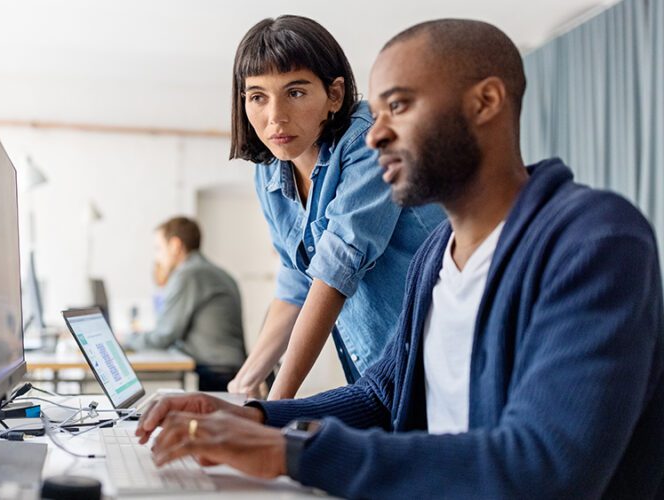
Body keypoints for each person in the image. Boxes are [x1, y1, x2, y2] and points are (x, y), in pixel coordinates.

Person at [134, 19, 664, 498]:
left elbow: (544, 467)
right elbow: (380, 397)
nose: (376, 133)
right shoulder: (437, 255)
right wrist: (252, 415)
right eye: (379, 110)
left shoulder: (594, 242)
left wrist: (289, 452)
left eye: (400, 106)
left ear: (485, 103)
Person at [227, 15, 446, 399]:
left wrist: (275, 407)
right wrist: (245, 383)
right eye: (257, 96)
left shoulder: (372, 142)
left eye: (295, 92)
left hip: (441, 360)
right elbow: (298, 281)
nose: (274, 116)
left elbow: (335, 269)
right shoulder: (270, 169)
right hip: (381, 375)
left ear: (335, 95)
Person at [124, 217, 246, 391]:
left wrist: (125, 340)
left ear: (175, 245)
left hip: (215, 372)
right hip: (229, 369)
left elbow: (164, 336)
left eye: (158, 249)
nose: (157, 257)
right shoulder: (213, 271)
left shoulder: (189, 274)